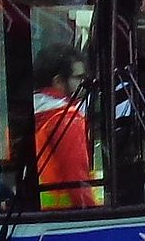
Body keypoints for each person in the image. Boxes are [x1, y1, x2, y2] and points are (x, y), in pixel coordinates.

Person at [33, 46, 100, 208]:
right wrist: (91, 212)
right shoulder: (67, 119)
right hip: (69, 218)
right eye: (79, 77)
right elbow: (77, 180)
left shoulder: (35, 112)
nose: (85, 83)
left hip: (41, 216)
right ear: (58, 82)